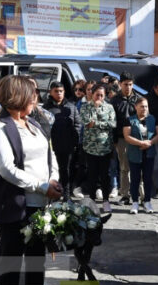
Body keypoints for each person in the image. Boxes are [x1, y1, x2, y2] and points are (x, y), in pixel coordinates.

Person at [0, 75, 61, 285]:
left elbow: (50, 156)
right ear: (18, 96)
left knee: (36, 263)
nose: (36, 99)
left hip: (40, 205)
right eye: (32, 94)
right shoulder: (0, 128)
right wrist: (42, 186)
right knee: (11, 264)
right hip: (15, 208)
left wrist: (54, 180)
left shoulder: (33, 125)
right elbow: (8, 170)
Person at [79, 82, 117, 212]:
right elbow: (87, 123)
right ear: (92, 94)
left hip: (105, 147)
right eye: (97, 95)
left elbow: (112, 124)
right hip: (90, 147)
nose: (99, 98)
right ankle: (92, 202)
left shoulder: (109, 107)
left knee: (105, 175)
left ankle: (106, 200)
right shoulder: (85, 107)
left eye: (102, 95)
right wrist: (95, 110)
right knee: (92, 175)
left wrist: (97, 123)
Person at [43, 80, 81, 199]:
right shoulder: (46, 108)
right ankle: (54, 193)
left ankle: (66, 194)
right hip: (52, 145)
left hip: (67, 145)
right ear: (51, 92)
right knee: (53, 170)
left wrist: (75, 140)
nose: (59, 93)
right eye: (56, 91)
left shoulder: (71, 107)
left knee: (66, 170)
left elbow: (78, 124)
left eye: (61, 91)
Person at [124, 97, 158, 214]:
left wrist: (149, 142)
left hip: (149, 153)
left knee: (148, 178)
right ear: (136, 107)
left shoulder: (152, 118)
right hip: (135, 153)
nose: (144, 109)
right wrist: (141, 143)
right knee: (135, 179)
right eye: (142, 106)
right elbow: (127, 136)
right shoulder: (130, 119)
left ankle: (147, 202)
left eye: (146, 106)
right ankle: (135, 202)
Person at [111, 72, 142, 206]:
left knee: (138, 167)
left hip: (137, 139)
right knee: (124, 168)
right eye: (125, 84)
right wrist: (114, 141)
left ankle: (142, 196)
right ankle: (125, 195)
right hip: (121, 139)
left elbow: (145, 118)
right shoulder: (115, 100)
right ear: (120, 84)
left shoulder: (139, 100)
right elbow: (112, 122)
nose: (128, 87)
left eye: (130, 84)